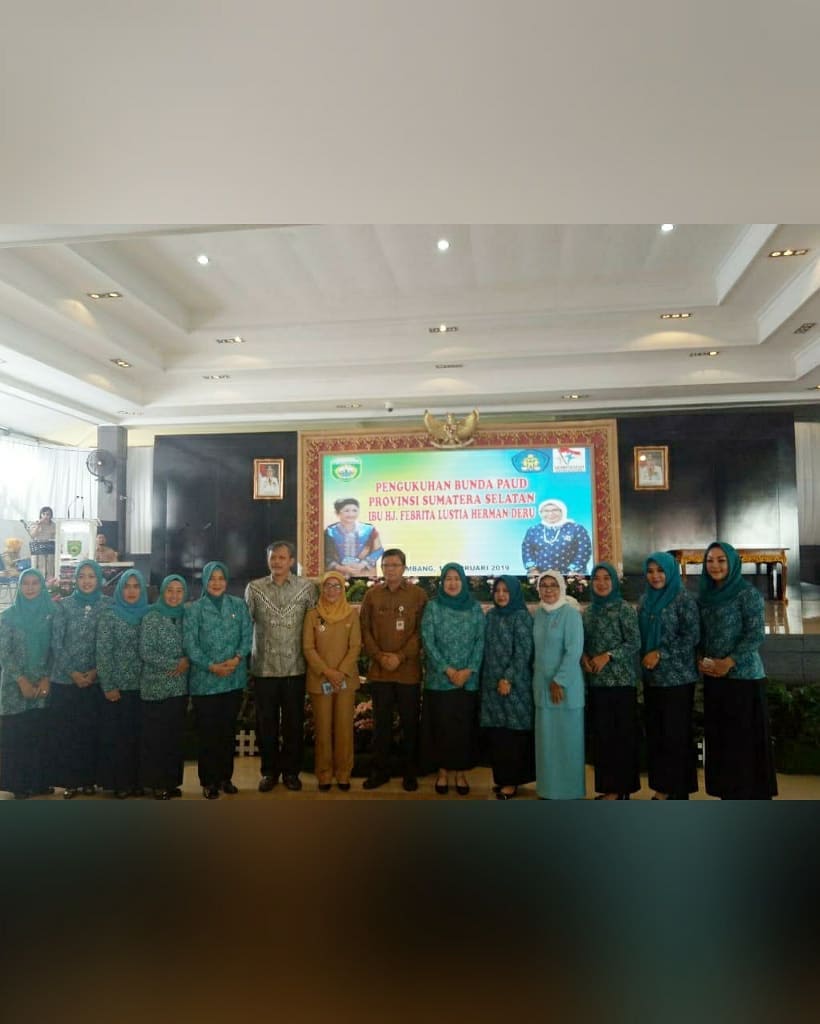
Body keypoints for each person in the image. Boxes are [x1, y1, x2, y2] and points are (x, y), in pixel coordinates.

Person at [697, 542, 777, 800]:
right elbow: (701, 634)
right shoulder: (705, 596)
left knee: (745, 743)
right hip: (715, 679)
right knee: (723, 742)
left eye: (721, 560)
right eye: (710, 560)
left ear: (732, 563)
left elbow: (755, 634)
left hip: (744, 679)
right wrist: (701, 658)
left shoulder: (747, 594)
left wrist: (729, 661)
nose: (715, 566)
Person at [245, 541, 317, 792]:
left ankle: (291, 773)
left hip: (295, 668)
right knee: (266, 725)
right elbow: (246, 624)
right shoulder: (254, 588)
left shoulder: (306, 588)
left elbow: (313, 624)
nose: (277, 562)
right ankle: (269, 772)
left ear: (291, 561)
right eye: (273, 557)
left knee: (293, 724)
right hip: (264, 668)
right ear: (268, 560)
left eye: (282, 558)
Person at [359, 548, 428, 792]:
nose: (390, 569)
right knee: (381, 724)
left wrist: (400, 656)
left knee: (410, 724)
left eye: (395, 565)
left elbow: (421, 631)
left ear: (404, 568)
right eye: (386, 565)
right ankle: (380, 771)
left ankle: (410, 772)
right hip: (380, 672)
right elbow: (364, 630)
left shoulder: (418, 595)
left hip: (407, 672)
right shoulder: (372, 595)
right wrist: (379, 656)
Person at [184, 561, 252, 799]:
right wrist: (211, 666)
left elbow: (247, 636)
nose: (216, 583)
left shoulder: (238, 605)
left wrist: (237, 658)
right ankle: (209, 781)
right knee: (208, 734)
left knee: (227, 732)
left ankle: (225, 778)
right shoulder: (194, 609)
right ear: (205, 581)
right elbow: (190, 644)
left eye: (221, 578)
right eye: (212, 578)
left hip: (233, 679)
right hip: (205, 682)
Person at [638, 551, 700, 800]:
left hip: (678, 679)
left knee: (676, 735)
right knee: (657, 735)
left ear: (671, 572)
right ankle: (662, 787)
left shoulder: (684, 599)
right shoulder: (645, 600)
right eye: (650, 571)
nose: (655, 576)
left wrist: (660, 653)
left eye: (660, 571)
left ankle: (677, 790)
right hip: (652, 678)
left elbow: (692, 636)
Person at [420, 563, 485, 796]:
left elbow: (480, 641)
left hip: (467, 681)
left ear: (463, 581)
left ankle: (460, 773)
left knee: (463, 729)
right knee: (441, 727)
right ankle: (443, 772)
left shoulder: (475, 608)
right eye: (448, 578)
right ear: (442, 582)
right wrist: (447, 670)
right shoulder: (433, 607)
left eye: (457, 578)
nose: (453, 583)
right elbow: (428, 640)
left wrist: (468, 670)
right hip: (440, 681)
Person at [581, 562, 641, 800]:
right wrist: (584, 657)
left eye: (607, 578)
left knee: (622, 738)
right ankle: (609, 788)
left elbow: (634, 642)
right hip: (597, 684)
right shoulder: (589, 612)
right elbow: (585, 643)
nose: (601, 583)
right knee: (603, 739)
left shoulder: (624, 609)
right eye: (597, 578)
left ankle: (622, 789)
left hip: (621, 684)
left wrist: (608, 655)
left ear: (614, 582)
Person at [50, 559, 108, 798]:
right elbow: (56, 643)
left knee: (91, 732)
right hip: (66, 681)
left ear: (99, 579)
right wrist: (73, 673)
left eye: (91, 576)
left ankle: (89, 780)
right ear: (75, 579)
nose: (86, 581)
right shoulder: (63, 606)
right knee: (68, 733)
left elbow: (109, 642)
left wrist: (95, 672)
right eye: (82, 576)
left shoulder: (108, 605)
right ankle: (71, 782)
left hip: (96, 680)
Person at [302, 571, 362, 791]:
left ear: (342, 589)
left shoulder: (351, 614)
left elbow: (355, 646)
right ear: (322, 588)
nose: (332, 590)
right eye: (328, 585)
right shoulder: (313, 615)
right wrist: (328, 672)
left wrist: (341, 672)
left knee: (344, 729)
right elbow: (308, 647)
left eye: (337, 586)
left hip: (345, 681)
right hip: (321, 681)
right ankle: (324, 773)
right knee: (323, 729)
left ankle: (344, 773)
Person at [479, 575, 535, 800]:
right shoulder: (491, 616)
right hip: (491, 685)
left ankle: (511, 782)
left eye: (506, 591)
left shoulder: (521, 616)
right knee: (498, 734)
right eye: (498, 591)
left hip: (514, 686)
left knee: (512, 735)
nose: (501, 595)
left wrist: (508, 678)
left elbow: (523, 652)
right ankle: (502, 779)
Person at [0, 568, 54, 798]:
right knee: (17, 735)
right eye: (25, 583)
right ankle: (18, 785)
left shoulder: (50, 614)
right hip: (14, 686)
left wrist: (46, 677)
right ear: (20, 587)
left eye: (35, 583)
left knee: (39, 734)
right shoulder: (8, 616)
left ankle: (39, 782)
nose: (30, 587)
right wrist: (21, 680)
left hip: (43, 684)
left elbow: (55, 648)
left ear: (42, 586)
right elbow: (4, 653)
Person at [96, 568, 149, 798]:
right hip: (117, 688)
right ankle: (120, 783)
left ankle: (138, 781)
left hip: (145, 688)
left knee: (140, 737)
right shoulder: (109, 615)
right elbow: (103, 652)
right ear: (120, 589)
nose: (131, 591)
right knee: (118, 738)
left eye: (136, 586)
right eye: (127, 586)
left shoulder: (150, 614)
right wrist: (108, 685)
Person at [533, 571, 586, 800]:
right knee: (547, 744)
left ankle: (570, 791)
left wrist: (559, 680)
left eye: (553, 585)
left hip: (565, 689)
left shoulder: (570, 614)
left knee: (568, 742)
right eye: (543, 585)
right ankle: (548, 790)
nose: (548, 590)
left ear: (562, 587)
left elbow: (574, 650)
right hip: (542, 689)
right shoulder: (539, 614)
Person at [139, 575, 190, 800]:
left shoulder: (186, 616)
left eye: (179, 591)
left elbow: (193, 644)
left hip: (179, 688)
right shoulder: (152, 615)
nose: (174, 595)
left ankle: (171, 782)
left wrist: (187, 661)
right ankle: (156, 784)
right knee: (156, 738)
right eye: (170, 590)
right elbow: (146, 651)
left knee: (174, 737)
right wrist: (175, 664)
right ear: (162, 592)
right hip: (155, 686)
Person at [521, 498, 592, 576]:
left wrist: (574, 570)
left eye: (555, 510)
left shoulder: (576, 528)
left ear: (562, 511)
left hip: (570, 575)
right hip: (541, 576)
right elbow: (526, 549)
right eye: (546, 511)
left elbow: (584, 550)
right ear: (540, 513)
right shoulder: (533, 530)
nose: (550, 514)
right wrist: (532, 569)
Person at [324, 497, 384, 578]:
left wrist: (363, 564)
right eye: (347, 511)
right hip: (338, 575)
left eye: (354, 510)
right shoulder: (330, 531)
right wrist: (342, 568)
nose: (351, 514)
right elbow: (325, 555)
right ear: (337, 513)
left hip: (363, 573)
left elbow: (378, 550)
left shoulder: (369, 530)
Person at [29, 505, 56, 579]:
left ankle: (49, 581)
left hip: (49, 549)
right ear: (40, 515)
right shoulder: (35, 523)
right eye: (43, 514)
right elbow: (32, 535)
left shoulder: (53, 525)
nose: (45, 516)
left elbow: (56, 536)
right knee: (37, 568)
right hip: (38, 549)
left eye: (48, 514)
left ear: (51, 516)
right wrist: (38, 525)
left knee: (50, 568)